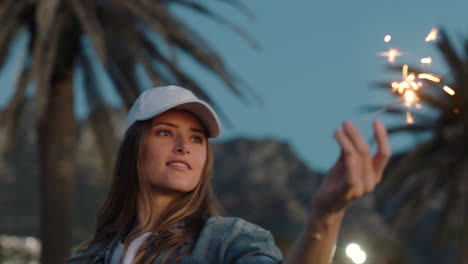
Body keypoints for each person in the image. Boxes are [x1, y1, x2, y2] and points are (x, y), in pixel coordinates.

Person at [66, 85, 391, 264]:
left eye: (197, 138)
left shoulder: (229, 241)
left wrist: (326, 216)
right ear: (133, 149)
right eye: (165, 133)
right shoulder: (86, 260)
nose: (184, 146)